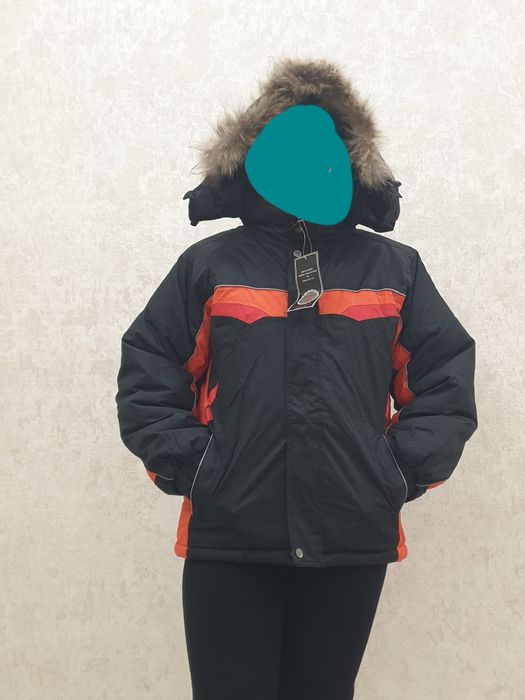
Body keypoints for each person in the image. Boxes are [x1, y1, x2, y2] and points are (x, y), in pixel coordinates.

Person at [115, 57, 478, 699]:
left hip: (349, 537)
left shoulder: (394, 270)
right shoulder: (210, 266)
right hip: (230, 538)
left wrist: (394, 471)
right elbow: (150, 368)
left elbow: (444, 379)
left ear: (350, 160)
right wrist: (200, 468)